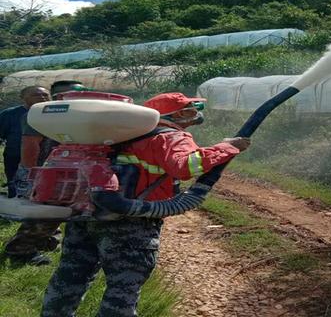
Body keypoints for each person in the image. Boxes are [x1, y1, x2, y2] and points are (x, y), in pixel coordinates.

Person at [41, 92, 250, 317]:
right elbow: (186, 166)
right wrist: (228, 147)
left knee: (70, 276)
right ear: (176, 114)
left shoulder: (113, 136)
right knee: (123, 289)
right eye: (190, 109)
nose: (195, 114)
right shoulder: (170, 136)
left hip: (85, 215)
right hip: (131, 222)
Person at [3, 80, 85, 266]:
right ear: (58, 96)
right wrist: (31, 175)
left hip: (69, 172)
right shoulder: (42, 114)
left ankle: (46, 241)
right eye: (73, 93)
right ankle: (20, 250)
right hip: (46, 173)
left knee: (61, 212)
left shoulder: (75, 114)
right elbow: (30, 146)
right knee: (46, 213)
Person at [0, 86, 51, 197]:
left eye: (45, 95)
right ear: (22, 97)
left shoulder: (56, 113)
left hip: (49, 159)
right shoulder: (9, 115)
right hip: (16, 157)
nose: (42, 97)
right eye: (36, 95)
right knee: (17, 186)